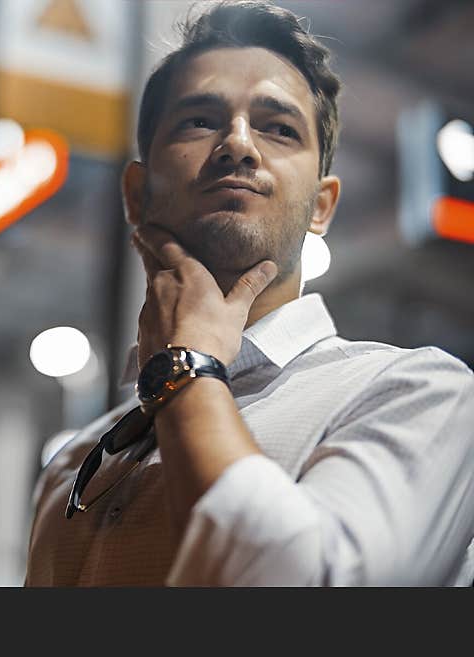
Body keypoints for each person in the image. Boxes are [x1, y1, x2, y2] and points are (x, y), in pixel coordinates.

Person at [24, 0, 474, 586]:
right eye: (198, 121)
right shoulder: (73, 463)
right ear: (137, 195)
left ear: (322, 206)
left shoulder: (418, 397)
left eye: (279, 128)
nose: (238, 144)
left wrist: (185, 370)